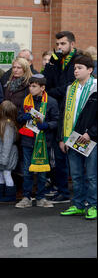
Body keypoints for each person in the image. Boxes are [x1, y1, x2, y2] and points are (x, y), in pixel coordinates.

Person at [58, 54, 96, 220]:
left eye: (80, 68)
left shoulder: (95, 87)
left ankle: (93, 205)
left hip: (90, 138)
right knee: (76, 175)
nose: (76, 71)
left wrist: (91, 133)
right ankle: (78, 205)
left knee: (92, 175)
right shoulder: (70, 88)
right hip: (72, 138)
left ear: (90, 70)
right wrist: (62, 138)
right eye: (74, 68)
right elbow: (64, 114)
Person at [43, 31, 80, 203]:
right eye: (57, 44)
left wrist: (51, 92)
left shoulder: (78, 61)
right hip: (59, 112)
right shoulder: (56, 60)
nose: (59, 47)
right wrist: (51, 64)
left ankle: (84, 196)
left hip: (75, 113)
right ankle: (63, 192)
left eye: (63, 44)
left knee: (79, 157)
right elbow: (47, 82)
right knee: (59, 154)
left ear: (72, 44)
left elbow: (68, 86)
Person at [15, 74, 59, 208]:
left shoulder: (51, 102)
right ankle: (26, 197)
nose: (31, 89)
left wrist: (47, 125)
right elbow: (19, 117)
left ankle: (40, 197)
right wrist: (24, 117)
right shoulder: (26, 100)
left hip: (44, 141)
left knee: (42, 171)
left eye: (34, 86)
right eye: (30, 85)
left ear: (42, 87)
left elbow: (56, 121)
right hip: (28, 140)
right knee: (27, 169)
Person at [0, 101, 19, 203]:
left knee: (6, 174)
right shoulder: (3, 124)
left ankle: (10, 196)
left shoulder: (8, 126)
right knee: (1, 174)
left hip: (6, 155)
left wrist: (4, 159)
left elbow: (7, 143)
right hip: (0, 154)